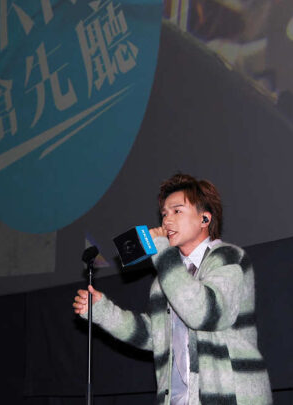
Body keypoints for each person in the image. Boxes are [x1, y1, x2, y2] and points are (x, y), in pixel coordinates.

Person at [73, 173, 272, 404]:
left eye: (177, 211)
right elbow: (156, 336)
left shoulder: (228, 258)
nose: (167, 221)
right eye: (164, 214)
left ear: (204, 219)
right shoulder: (165, 278)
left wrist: (163, 253)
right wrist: (103, 311)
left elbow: (203, 312)